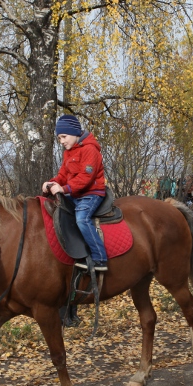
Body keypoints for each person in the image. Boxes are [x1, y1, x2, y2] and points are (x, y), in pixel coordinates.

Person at [42, 115, 110, 271]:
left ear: (74, 133)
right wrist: (51, 183)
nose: (61, 141)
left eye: (64, 136)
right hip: (75, 193)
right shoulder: (69, 152)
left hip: (91, 193)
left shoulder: (90, 150)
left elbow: (86, 177)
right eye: (59, 138)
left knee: (81, 219)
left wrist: (64, 189)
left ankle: (100, 258)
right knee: (58, 211)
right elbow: (63, 175)